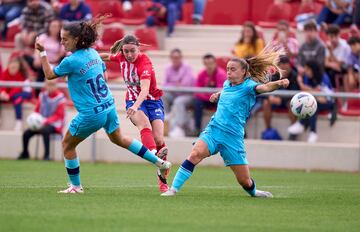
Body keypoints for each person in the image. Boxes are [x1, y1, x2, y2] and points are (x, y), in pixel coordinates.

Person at [34, 17, 171, 194]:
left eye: (65, 39)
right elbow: (104, 75)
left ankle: (76, 186)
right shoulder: (92, 53)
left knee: (67, 146)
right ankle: (157, 161)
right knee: (119, 139)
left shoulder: (71, 60)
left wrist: (42, 52)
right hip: (108, 107)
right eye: (60, 38)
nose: (62, 42)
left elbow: (50, 75)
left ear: (76, 40)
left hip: (91, 113)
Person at [161, 45, 290, 197]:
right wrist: (218, 94)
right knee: (195, 154)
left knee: (244, 181)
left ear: (244, 72)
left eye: (233, 69)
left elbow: (265, 88)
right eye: (228, 69)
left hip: (233, 137)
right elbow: (228, 93)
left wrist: (278, 84)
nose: (228, 72)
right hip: (214, 129)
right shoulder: (227, 84)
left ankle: (254, 191)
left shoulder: (249, 86)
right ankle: (173, 189)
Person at [99, 34, 170, 193]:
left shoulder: (144, 62)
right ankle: (155, 158)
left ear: (138, 49)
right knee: (144, 125)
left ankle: (160, 171)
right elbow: (105, 56)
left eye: (132, 51)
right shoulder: (121, 57)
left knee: (159, 139)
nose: (129, 55)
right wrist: (89, 57)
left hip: (152, 101)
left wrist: (136, 106)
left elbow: (145, 89)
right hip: (133, 101)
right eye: (126, 51)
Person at [288, 60, 336, 143]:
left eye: (307, 69)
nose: (305, 71)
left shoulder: (323, 77)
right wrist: (304, 85)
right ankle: (309, 130)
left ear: (312, 69)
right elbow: (306, 91)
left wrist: (312, 91)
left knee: (312, 104)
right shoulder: (307, 77)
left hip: (329, 101)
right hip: (317, 100)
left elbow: (324, 97)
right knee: (311, 104)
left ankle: (303, 125)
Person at [17, 79, 66, 160]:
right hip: (40, 123)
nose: (50, 87)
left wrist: (45, 121)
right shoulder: (42, 95)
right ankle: (25, 153)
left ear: (56, 85)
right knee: (26, 133)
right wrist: (34, 119)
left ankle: (46, 155)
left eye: (52, 84)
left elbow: (58, 116)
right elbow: (37, 110)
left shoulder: (60, 98)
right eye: (48, 84)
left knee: (45, 130)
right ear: (45, 85)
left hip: (55, 125)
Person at [261, 56, 299, 139]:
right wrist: (270, 97)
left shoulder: (294, 75)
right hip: (275, 100)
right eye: (283, 69)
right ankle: (268, 128)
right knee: (266, 103)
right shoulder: (273, 76)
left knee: (292, 104)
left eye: (287, 69)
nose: (285, 71)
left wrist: (281, 99)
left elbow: (294, 93)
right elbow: (265, 89)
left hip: (287, 100)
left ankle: (293, 131)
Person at [162, 48, 195, 138]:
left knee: (179, 101)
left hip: (188, 95)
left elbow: (187, 85)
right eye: (173, 57)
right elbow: (165, 85)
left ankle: (179, 127)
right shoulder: (167, 68)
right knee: (162, 95)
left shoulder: (187, 67)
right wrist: (176, 84)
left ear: (181, 58)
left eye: (177, 57)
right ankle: (165, 119)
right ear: (171, 58)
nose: (175, 59)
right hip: (174, 94)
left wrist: (174, 85)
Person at [193, 53, 226, 136]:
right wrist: (209, 96)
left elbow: (221, 92)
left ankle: (221, 128)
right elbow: (197, 91)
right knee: (197, 102)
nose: (209, 66)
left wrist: (208, 95)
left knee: (221, 102)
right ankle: (197, 128)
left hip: (217, 99)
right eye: (206, 64)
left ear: (215, 63)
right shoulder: (201, 74)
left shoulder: (221, 74)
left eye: (211, 63)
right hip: (206, 100)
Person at [0, 55, 32, 131]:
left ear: (18, 67)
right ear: (9, 65)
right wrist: (2, 93)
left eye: (15, 67)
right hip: (10, 94)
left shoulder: (21, 75)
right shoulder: (5, 73)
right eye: (12, 65)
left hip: (25, 92)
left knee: (17, 98)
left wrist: (8, 95)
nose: (13, 67)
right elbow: (3, 85)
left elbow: (17, 89)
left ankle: (19, 121)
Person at [324, 24, 351, 90]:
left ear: (339, 35)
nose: (333, 39)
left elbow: (340, 64)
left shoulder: (344, 45)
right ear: (328, 36)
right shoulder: (328, 44)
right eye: (331, 37)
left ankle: (334, 92)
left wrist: (330, 52)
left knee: (332, 72)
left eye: (335, 36)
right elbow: (326, 62)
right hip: (333, 67)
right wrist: (331, 64)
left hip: (346, 68)